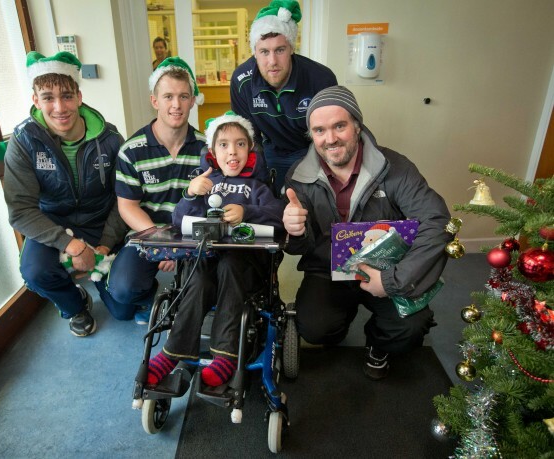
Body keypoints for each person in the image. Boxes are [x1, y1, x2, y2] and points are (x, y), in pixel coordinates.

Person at [282, 85, 453, 380]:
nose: (330, 138)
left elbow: (437, 221)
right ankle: (340, 319)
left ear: (357, 126)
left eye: (339, 126)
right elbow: (299, 248)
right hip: (328, 271)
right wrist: (295, 231)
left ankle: (378, 344)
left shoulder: (395, 168)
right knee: (315, 328)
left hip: (386, 268)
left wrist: (391, 280)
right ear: (311, 135)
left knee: (412, 326)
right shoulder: (300, 176)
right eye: (319, 130)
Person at [145, 112, 284, 387]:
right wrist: (190, 194)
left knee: (229, 265)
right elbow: (179, 222)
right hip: (206, 260)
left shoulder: (257, 187)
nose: (232, 151)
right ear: (212, 153)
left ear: (251, 150)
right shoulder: (205, 183)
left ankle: (225, 355)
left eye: (240, 144)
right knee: (195, 278)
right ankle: (173, 352)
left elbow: (278, 216)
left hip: (245, 265)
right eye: (223, 145)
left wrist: (247, 211)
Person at [3, 51, 128, 337]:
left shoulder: (109, 139)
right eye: (48, 97)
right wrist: (71, 246)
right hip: (52, 224)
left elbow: (123, 199)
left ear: (79, 97)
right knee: (35, 272)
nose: (59, 107)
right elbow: (20, 210)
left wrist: (105, 246)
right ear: (36, 100)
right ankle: (75, 304)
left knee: (124, 309)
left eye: (67, 96)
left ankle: (105, 282)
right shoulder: (24, 141)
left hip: (100, 224)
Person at [108, 57, 206, 325]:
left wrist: (181, 247)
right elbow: (128, 206)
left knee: (212, 292)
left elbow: (212, 207)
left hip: (193, 235)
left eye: (184, 96)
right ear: (155, 101)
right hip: (147, 233)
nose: (176, 105)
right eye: (168, 96)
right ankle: (150, 294)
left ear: (193, 100)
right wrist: (162, 244)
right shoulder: (131, 150)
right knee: (122, 289)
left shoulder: (207, 149)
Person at [230, 0, 337, 192]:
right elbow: (248, 137)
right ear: (254, 52)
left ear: (291, 49)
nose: (272, 61)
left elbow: (331, 136)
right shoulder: (241, 80)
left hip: (312, 151)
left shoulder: (320, 78)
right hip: (271, 150)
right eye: (264, 51)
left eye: (280, 50)